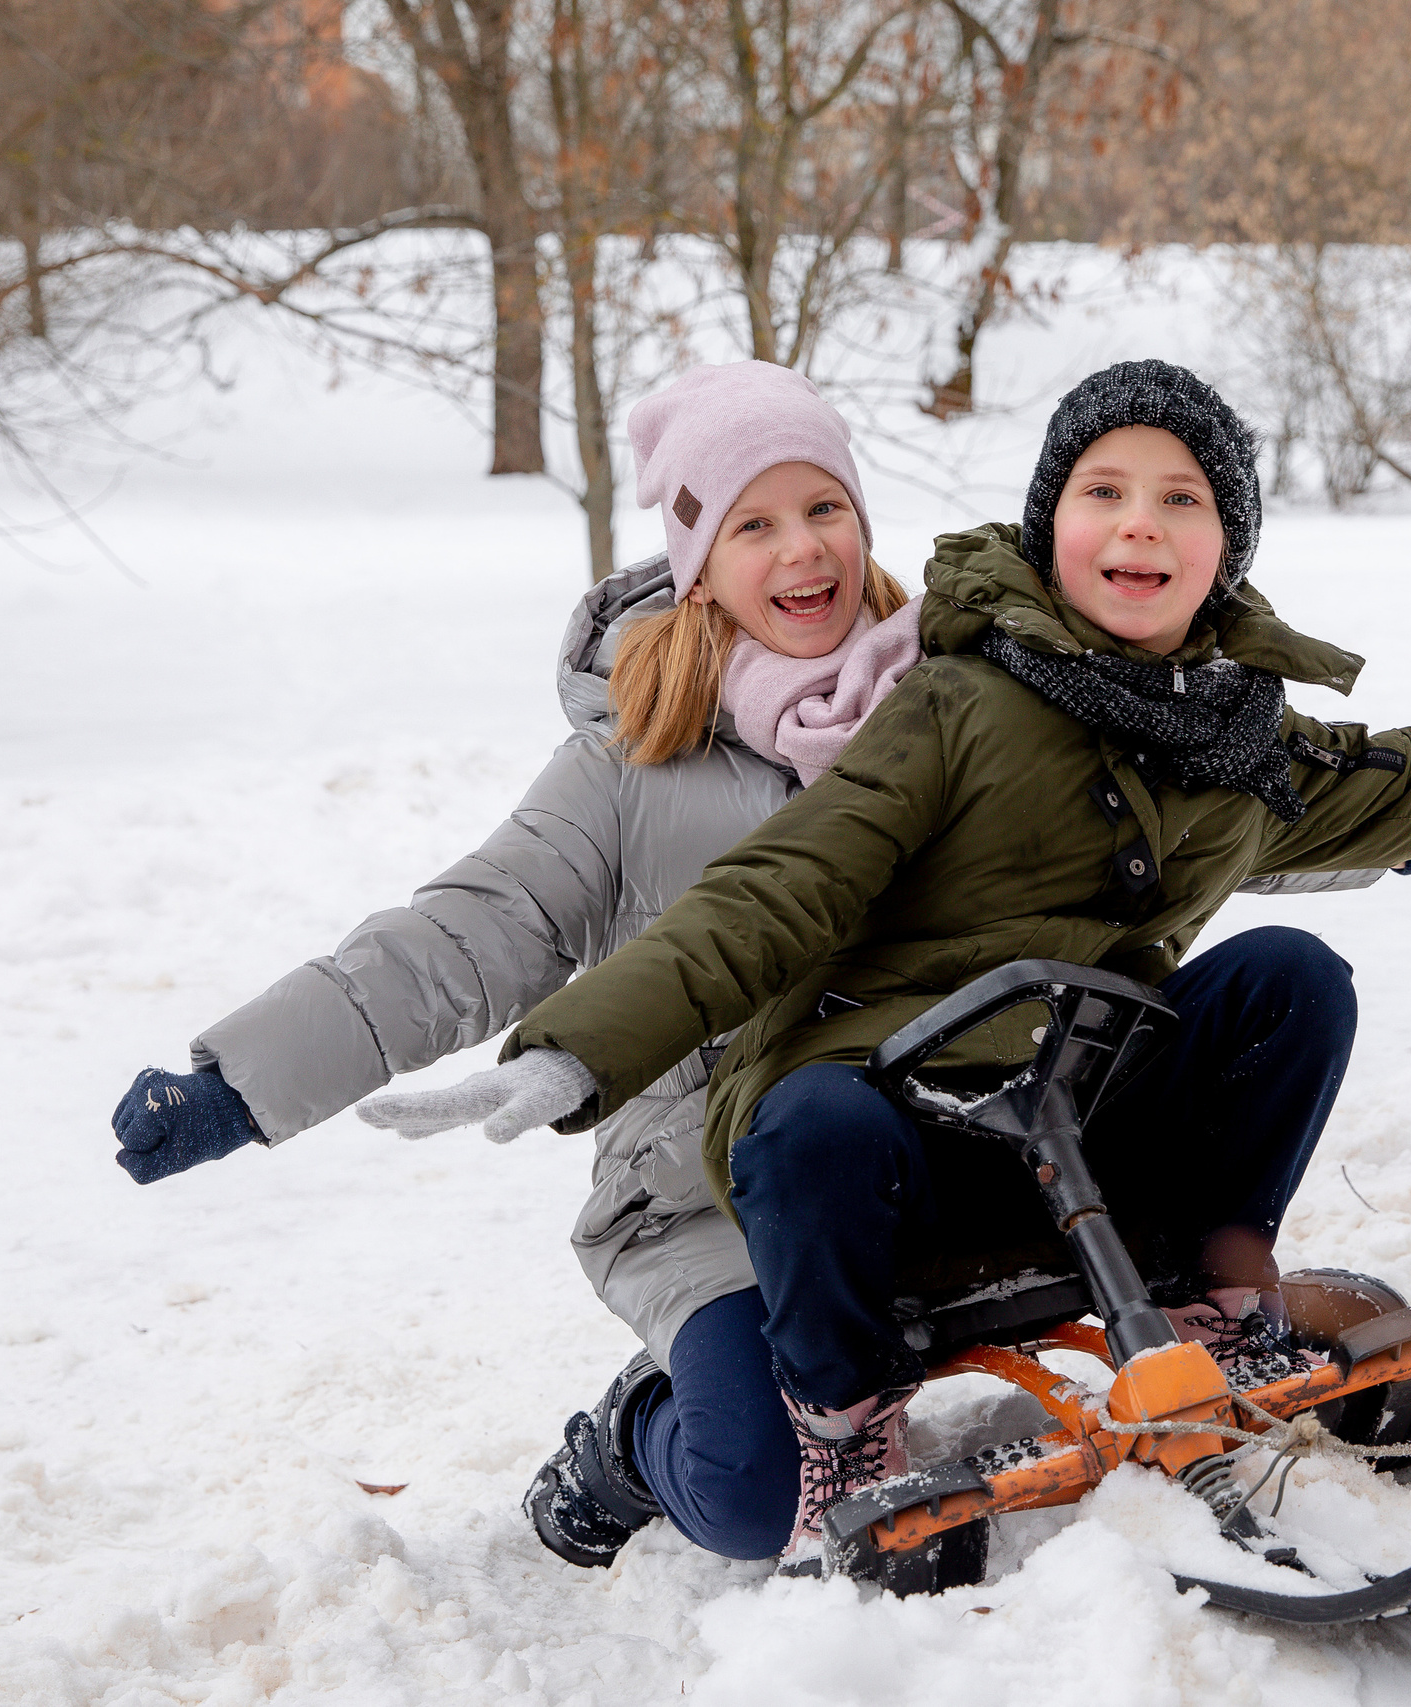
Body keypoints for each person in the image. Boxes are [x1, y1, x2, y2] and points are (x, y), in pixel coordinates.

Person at [356, 359, 1411, 1579]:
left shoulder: (1237, 744)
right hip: (891, 1149)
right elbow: (770, 892)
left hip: (1073, 1127)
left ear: (1226, 545)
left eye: (1180, 498)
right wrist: (577, 1046)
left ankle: (1214, 1288)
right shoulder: (951, 703)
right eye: (1104, 492)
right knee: (802, 1127)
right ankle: (831, 1418)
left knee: (1286, 975)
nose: (1140, 525)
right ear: (1051, 522)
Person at [105, 361, 954, 1568]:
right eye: (753, 523)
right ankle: (628, 1442)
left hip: (923, 1155)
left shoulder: (944, 702)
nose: (801, 551)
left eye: (824, 509)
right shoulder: (630, 769)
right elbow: (471, 933)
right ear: (698, 561)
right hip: (705, 1197)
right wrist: (239, 1084)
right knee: (757, 1495)